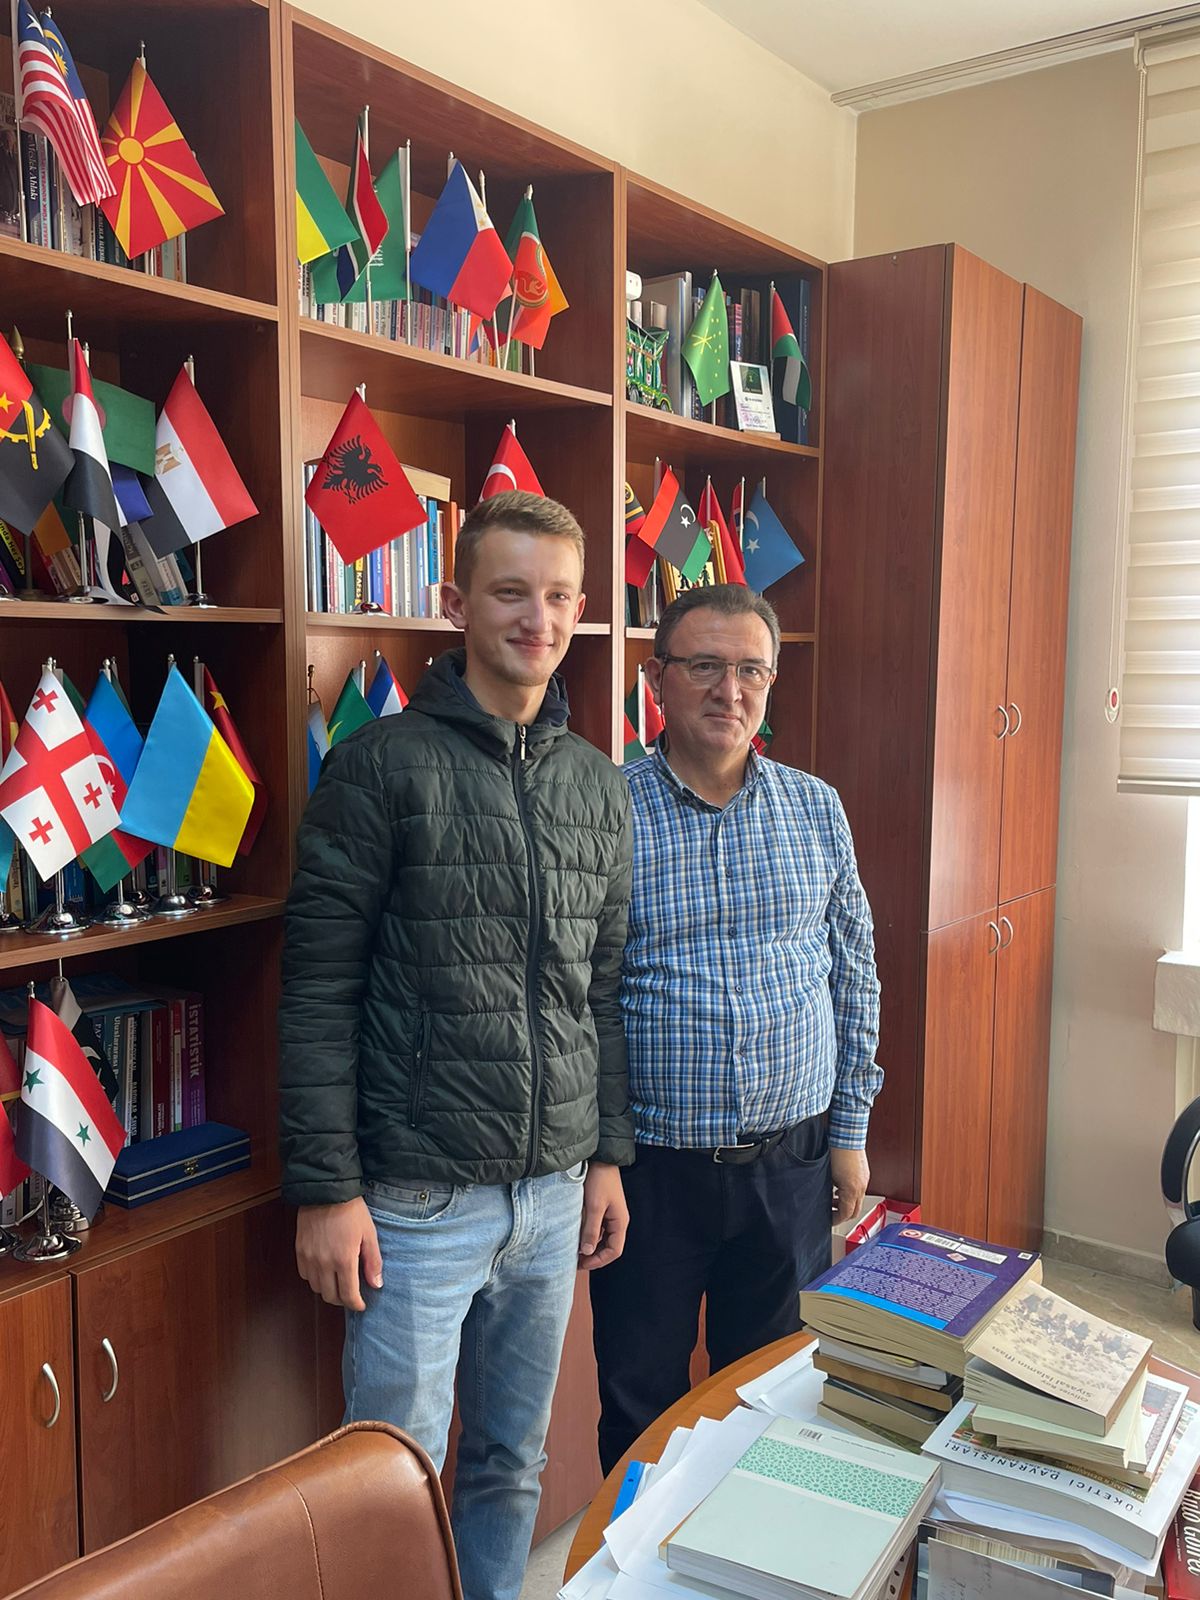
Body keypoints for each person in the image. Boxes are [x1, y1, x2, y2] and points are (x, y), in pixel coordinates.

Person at [278, 491, 634, 1600]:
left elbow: (600, 991)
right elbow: (318, 989)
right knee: (393, 1486)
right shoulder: (377, 766)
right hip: (416, 1206)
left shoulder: (596, 782)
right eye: (511, 591)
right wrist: (327, 1189)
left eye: (560, 596)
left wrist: (605, 1155)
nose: (539, 618)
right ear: (454, 602)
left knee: (510, 1465)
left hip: (552, 1196)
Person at [590, 582, 883, 1473]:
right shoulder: (604, 810)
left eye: (751, 670)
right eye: (705, 667)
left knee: (775, 1395)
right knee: (640, 1399)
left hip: (790, 1165)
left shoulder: (815, 807)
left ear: (771, 681)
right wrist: (598, 1156)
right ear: (656, 680)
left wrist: (850, 1134)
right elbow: (579, 994)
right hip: (651, 1172)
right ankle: (635, 1548)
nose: (731, 691)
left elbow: (855, 974)